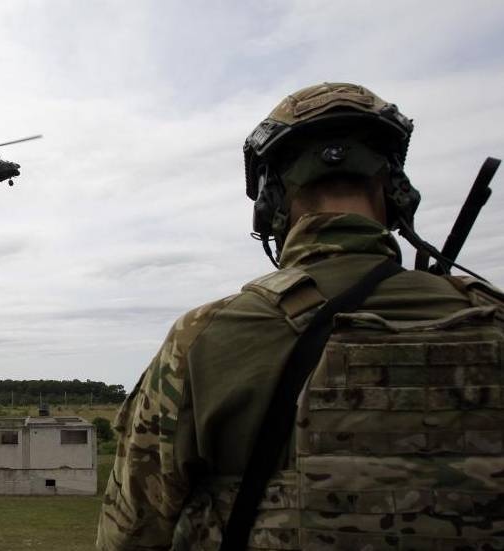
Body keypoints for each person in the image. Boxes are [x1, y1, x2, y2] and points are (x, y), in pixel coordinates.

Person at [96, 82, 504, 550]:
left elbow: (128, 533)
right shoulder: (492, 317)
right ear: (397, 192)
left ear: (268, 202)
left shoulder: (202, 340)